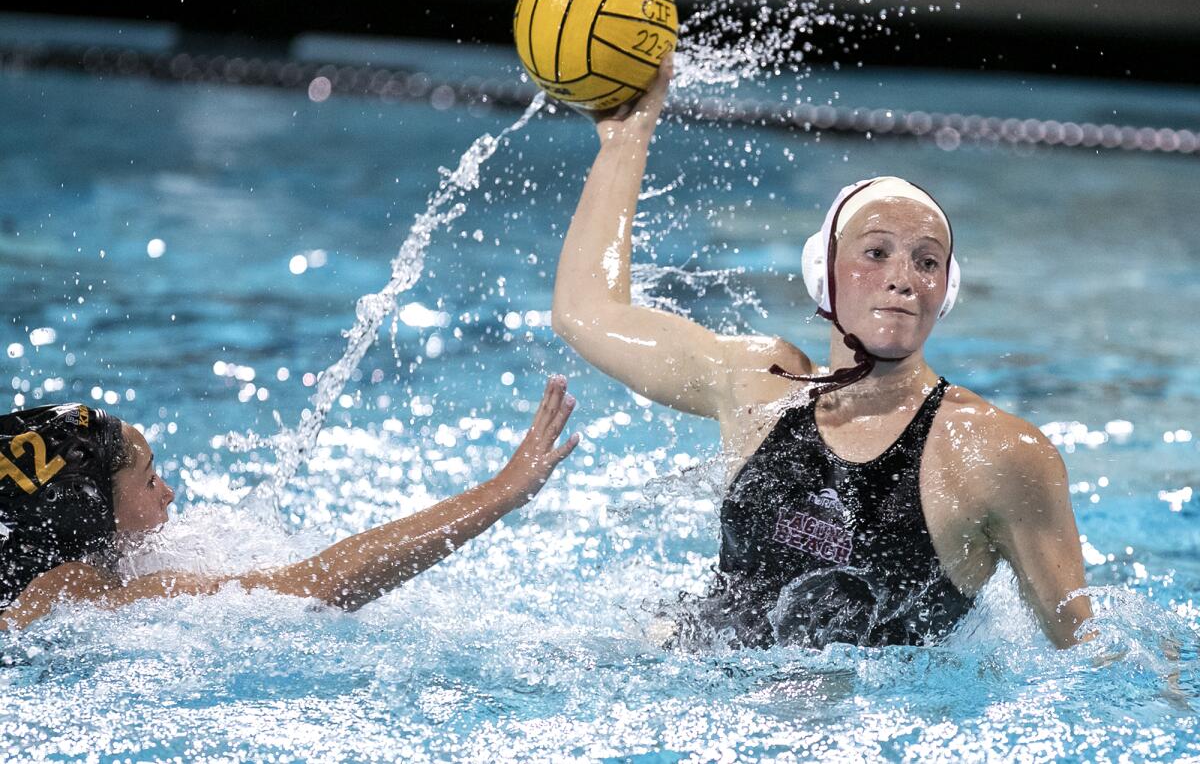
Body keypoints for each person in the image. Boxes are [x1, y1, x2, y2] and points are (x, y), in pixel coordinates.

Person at [550, 54, 1093, 650]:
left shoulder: (992, 454)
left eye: (927, 260)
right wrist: (626, 140)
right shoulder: (759, 385)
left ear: (946, 292)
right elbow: (587, 315)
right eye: (876, 252)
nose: (903, 277)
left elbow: (1088, 655)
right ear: (823, 274)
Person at [0, 376, 579, 631]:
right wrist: (500, 492)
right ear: (88, 512)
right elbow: (319, 588)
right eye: (150, 481)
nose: (170, 493)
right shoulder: (75, 592)